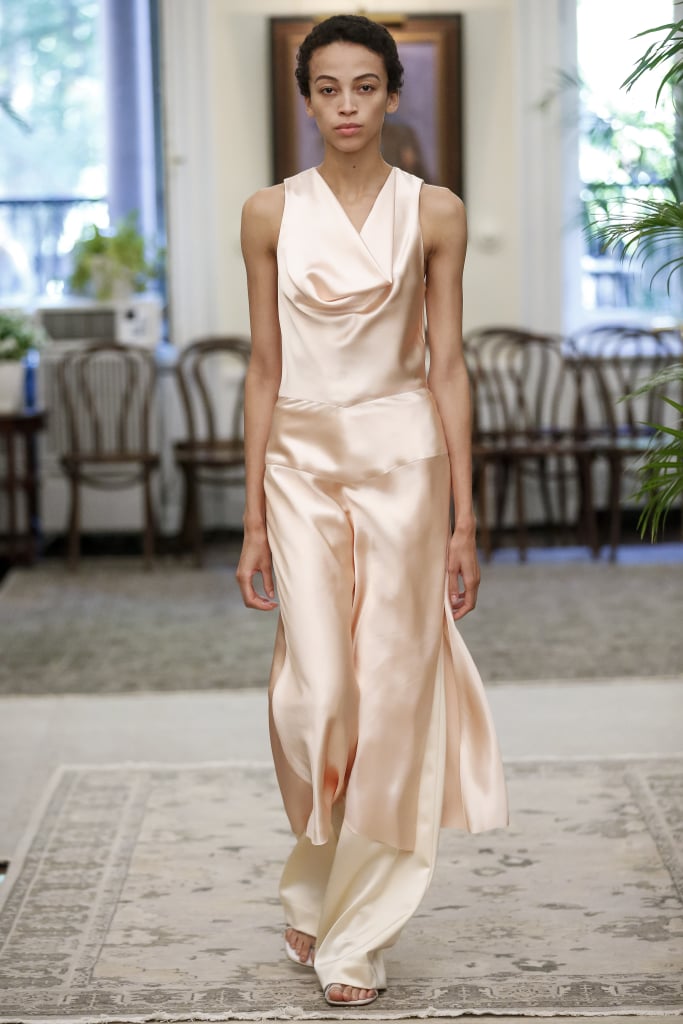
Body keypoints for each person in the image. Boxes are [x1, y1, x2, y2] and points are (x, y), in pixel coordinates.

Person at [236, 14, 508, 1008]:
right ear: (306, 99)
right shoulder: (266, 213)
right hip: (298, 467)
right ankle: (315, 874)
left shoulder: (434, 212)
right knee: (314, 696)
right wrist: (252, 516)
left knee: (391, 696)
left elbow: (446, 364)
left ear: (392, 95)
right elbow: (264, 364)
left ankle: (354, 931)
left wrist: (463, 521)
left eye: (363, 87)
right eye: (326, 88)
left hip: (404, 467)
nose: (345, 106)